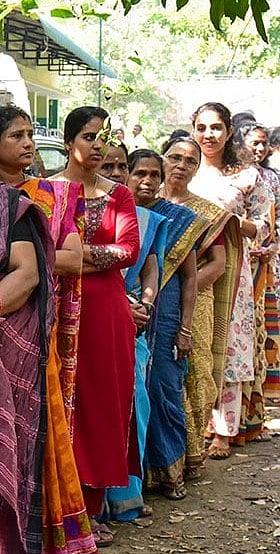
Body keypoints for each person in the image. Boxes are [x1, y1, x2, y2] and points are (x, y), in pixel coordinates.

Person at [0, 105, 56, 554]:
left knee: (4, 443)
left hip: (1, 341)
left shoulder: (8, 202)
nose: (27, 143)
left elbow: (26, 276)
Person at [49, 106, 140, 546]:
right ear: (68, 142)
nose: (97, 145)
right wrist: (93, 255)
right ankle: (59, 507)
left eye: (103, 137)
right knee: (59, 402)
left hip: (104, 313)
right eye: (88, 136)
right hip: (53, 307)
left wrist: (73, 257)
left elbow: (129, 251)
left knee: (102, 400)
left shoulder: (118, 194)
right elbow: (38, 250)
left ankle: (93, 507)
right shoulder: (45, 191)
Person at [14, 138, 94, 554]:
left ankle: (44, 534)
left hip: (37, 325)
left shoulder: (51, 196)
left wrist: (20, 262)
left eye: (29, 134)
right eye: (14, 135)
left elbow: (73, 259)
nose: (27, 143)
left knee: (42, 427)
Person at [189, 102, 272, 458]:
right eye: (202, 127)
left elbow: (266, 225)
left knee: (230, 342)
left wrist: (235, 224)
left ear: (228, 132)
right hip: (187, 267)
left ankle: (224, 430)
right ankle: (194, 427)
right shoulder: (183, 169)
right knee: (195, 341)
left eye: (217, 127)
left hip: (233, 271)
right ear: (193, 130)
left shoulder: (246, 176)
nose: (209, 135)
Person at [158, 135, 241, 481]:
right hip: (149, 300)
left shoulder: (207, 213)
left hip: (195, 300)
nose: (181, 165)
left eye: (190, 161)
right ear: (163, 159)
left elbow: (218, 263)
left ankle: (189, 455)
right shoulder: (144, 199)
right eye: (175, 157)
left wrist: (178, 289)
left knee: (196, 376)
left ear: (196, 168)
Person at [134, 144, 204, 500]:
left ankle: (170, 473)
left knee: (164, 391)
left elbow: (190, 278)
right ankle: (137, 479)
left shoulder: (176, 220)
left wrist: (185, 328)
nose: (147, 181)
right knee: (134, 398)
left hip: (167, 315)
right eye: (140, 174)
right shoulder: (116, 214)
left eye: (154, 176)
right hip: (126, 316)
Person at [106, 146, 167, 524]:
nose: (114, 172)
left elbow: (150, 268)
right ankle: (98, 502)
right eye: (109, 166)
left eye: (119, 166)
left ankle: (128, 496)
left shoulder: (143, 219)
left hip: (134, 323)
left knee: (136, 406)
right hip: (97, 317)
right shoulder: (80, 207)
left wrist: (144, 302)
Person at [236, 121, 280, 405]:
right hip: (236, 262)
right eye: (254, 142)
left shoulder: (272, 178)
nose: (260, 148)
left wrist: (271, 247)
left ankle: (252, 412)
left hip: (262, 266)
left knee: (256, 333)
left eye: (264, 143)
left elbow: (271, 223)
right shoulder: (231, 176)